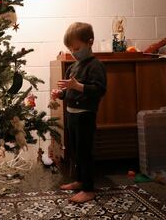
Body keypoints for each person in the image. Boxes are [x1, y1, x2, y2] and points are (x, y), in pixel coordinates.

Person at [51, 22, 107, 203]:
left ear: (90, 42)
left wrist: (77, 86)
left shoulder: (95, 65)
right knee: (74, 150)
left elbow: (99, 89)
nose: (74, 52)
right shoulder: (73, 67)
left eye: (77, 47)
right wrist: (61, 94)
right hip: (72, 114)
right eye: (70, 49)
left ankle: (89, 189)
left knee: (85, 152)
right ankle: (79, 180)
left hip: (85, 115)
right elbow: (69, 91)